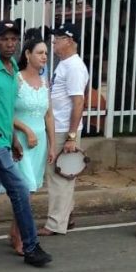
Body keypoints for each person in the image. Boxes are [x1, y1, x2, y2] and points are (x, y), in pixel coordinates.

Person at [0, 20, 51, 266]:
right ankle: (31, 246)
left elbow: (5, 109)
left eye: (13, 39)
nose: (9, 43)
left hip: (5, 140)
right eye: (4, 38)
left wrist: (14, 139)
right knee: (21, 189)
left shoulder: (13, 65)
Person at [40, 22, 90, 236]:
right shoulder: (65, 64)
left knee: (59, 176)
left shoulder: (74, 67)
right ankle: (65, 217)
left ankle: (55, 224)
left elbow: (78, 102)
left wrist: (71, 136)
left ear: (69, 41)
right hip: (58, 126)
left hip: (63, 129)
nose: (54, 42)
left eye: (58, 39)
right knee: (62, 175)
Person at [8, 32, 55, 253]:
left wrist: (53, 145)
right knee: (23, 189)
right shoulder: (16, 79)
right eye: (39, 52)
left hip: (40, 142)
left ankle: (15, 231)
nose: (44, 56)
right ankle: (20, 237)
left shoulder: (45, 82)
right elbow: (6, 113)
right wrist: (25, 130)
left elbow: (48, 116)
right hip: (22, 141)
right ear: (27, 54)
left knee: (31, 188)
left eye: (46, 53)